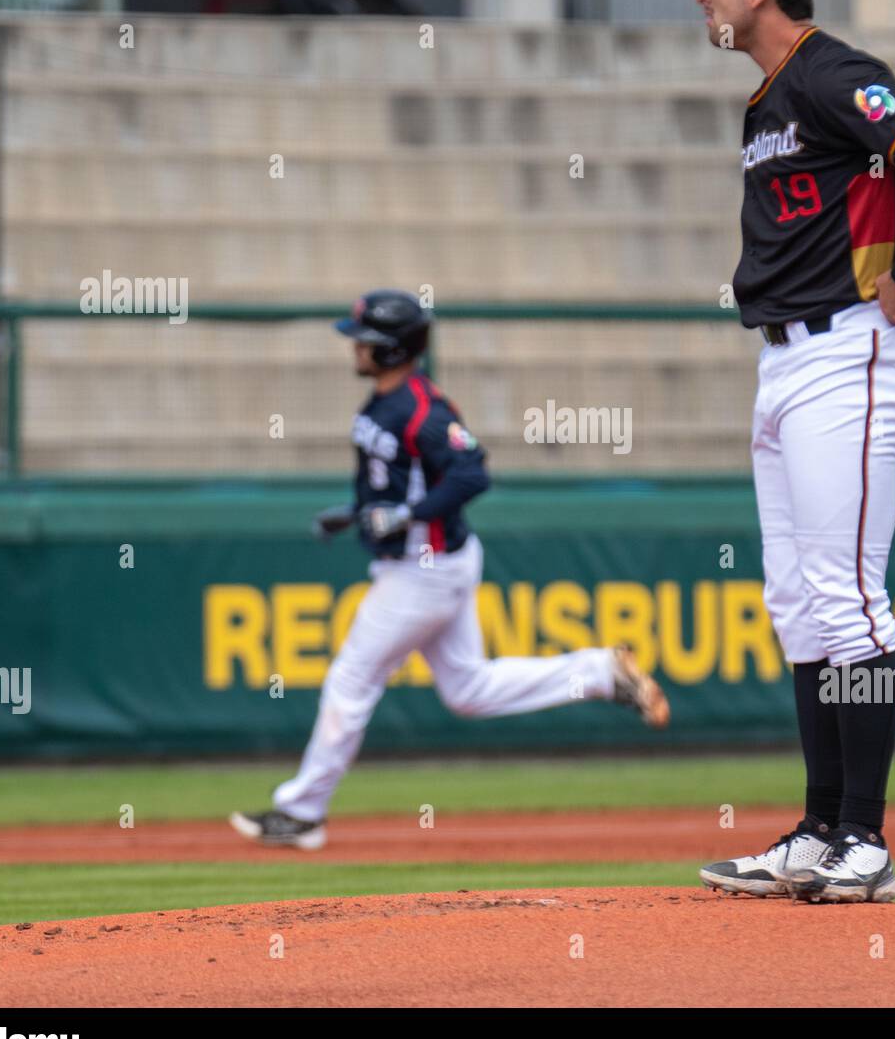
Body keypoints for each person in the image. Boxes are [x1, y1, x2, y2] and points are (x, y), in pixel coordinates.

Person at [675, 0, 895, 902]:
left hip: (849, 347)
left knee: (850, 600)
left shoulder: (821, 70)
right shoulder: (766, 100)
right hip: (784, 365)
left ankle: (866, 841)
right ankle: (817, 832)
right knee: (801, 605)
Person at [232, 289, 670, 849]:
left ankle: (301, 812)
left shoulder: (424, 410)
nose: (356, 348)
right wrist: (356, 515)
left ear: (391, 350)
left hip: (425, 569)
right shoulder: (383, 403)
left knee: (350, 678)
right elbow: (398, 482)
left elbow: (471, 474)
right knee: (468, 689)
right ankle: (600, 673)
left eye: (365, 340)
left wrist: (408, 513)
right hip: (429, 564)